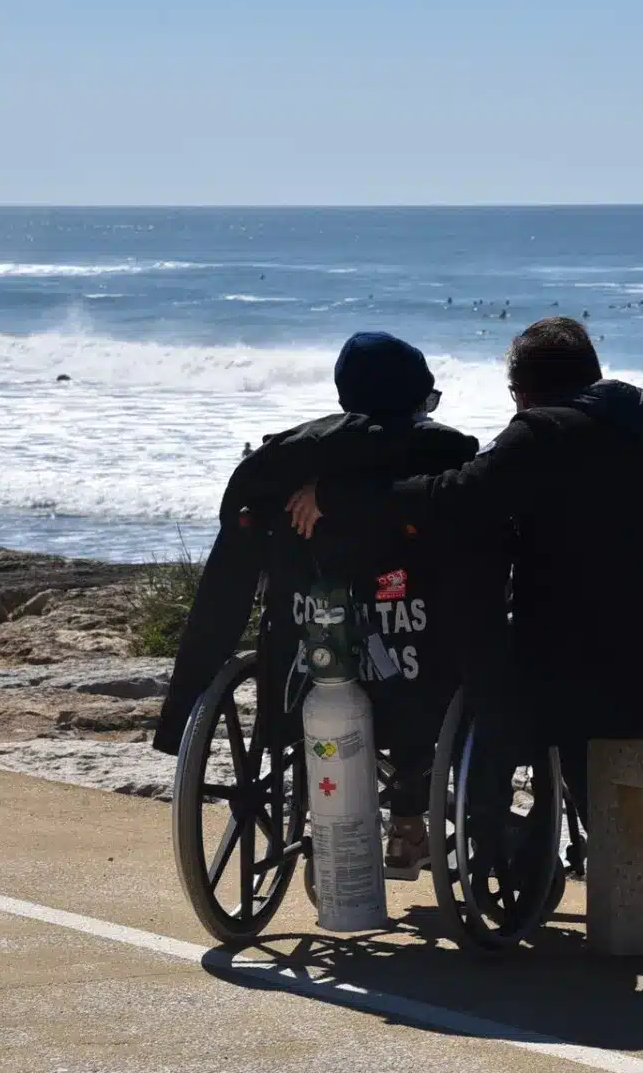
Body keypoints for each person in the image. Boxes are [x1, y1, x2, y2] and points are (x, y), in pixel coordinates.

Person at [286, 316, 643, 811]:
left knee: (506, 687)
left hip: (641, 693)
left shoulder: (544, 433)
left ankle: (487, 820)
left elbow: (453, 495)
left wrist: (339, 496)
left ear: (521, 391)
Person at [152, 332, 489, 877]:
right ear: (416, 399)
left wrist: (181, 713)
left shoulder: (279, 462)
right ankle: (407, 821)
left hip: (301, 669)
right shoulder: (444, 452)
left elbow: (223, 591)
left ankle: (330, 820)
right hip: (419, 674)